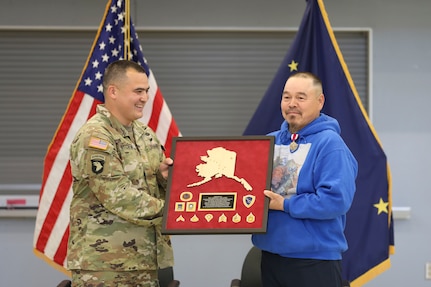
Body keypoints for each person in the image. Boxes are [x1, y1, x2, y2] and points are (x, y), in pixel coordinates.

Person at [68, 60, 174, 287]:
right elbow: (117, 195)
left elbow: (151, 184)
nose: (145, 98)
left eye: (146, 91)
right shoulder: (95, 137)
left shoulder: (145, 134)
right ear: (113, 91)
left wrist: (163, 179)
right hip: (103, 265)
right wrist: (175, 211)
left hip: (144, 260)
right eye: (138, 91)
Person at [252, 72, 358, 287]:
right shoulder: (268, 142)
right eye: (286, 97)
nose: (292, 104)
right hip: (271, 255)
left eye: (301, 98)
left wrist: (285, 204)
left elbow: (335, 200)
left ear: (320, 101)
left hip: (314, 261)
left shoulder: (331, 145)